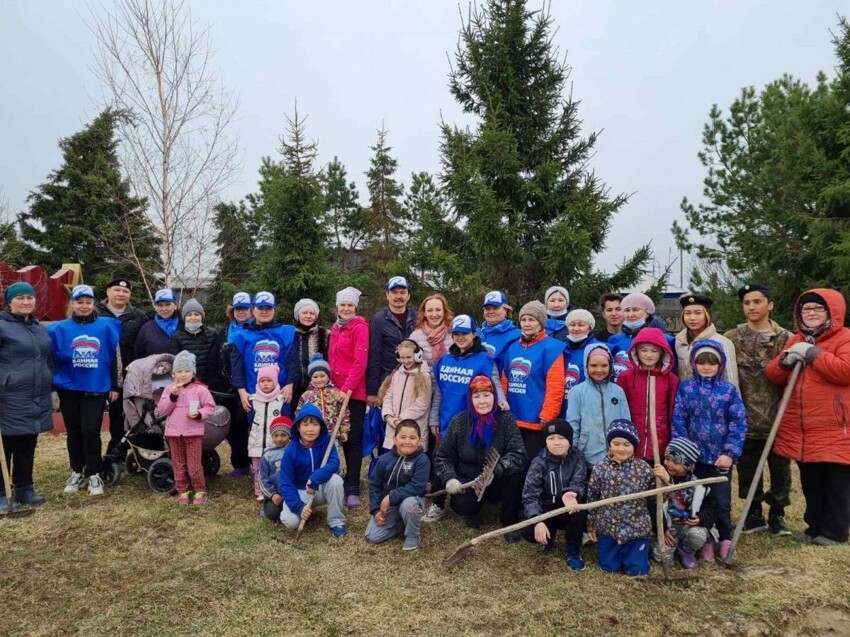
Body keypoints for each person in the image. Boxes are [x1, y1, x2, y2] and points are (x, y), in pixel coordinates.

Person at [766, 288, 850, 546]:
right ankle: (814, 526)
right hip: (803, 427)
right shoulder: (797, 340)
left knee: (836, 482)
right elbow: (773, 375)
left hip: (835, 425)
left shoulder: (844, 338)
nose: (811, 313)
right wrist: (786, 361)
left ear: (831, 312)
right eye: (806, 309)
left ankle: (835, 531)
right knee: (811, 481)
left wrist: (812, 354)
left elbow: (845, 371)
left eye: (817, 309)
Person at [725, 283, 792, 536]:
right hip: (745, 415)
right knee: (748, 467)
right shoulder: (733, 338)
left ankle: (777, 513)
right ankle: (754, 512)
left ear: (770, 305)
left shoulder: (785, 338)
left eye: (757, 301)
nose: (751, 307)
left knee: (780, 469)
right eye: (747, 303)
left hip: (777, 416)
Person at [426, 315, 506, 523]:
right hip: (446, 422)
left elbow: (495, 382)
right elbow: (439, 392)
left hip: (474, 423)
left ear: (474, 334)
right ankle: (437, 504)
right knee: (441, 459)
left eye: (465, 333)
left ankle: (472, 505)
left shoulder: (485, 359)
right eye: (457, 334)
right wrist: (434, 419)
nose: (461, 338)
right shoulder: (444, 360)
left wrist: (502, 400)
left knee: (471, 461)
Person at [672, 340, 747, 560]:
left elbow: (738, 423)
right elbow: (678, 420)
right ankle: (704, 539)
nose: (706, 367)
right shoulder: (686, 389)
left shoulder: (728, 391)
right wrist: (684, 455)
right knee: (697, 500)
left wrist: (730, 453)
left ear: (720, 365)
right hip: (695, 460)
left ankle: (724, 538)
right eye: (701, 362)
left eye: (712, 363)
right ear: (694, 364)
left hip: (719, 459)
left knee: (721, 501)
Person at [48, 285, 121, 497]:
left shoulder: (107, 327)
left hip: (96, 387)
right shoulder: (57, 329)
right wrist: (54, 383)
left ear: (94, 304)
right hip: (69, 387)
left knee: (91, 431)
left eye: (88, 302)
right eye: (79, 302)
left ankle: (94, 472)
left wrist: (115, 384)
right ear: (72, 304)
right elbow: (50, 357)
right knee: (74, 432)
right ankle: (77, 470)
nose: (84, 306)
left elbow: (116, 357)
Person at [434, 376, 528, 539]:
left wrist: (496, 470)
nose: (482, 401)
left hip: (497, 478)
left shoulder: (506, 419)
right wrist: (450, 479)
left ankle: (509, 522)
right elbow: (442, 456)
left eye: (487, 395)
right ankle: (473, 511)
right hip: (470, 478)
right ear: (470, 399)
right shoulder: (459, 421)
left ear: (495, 397)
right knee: (462, 505)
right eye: (476, 396)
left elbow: (518, 454)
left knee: (516, 477)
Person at [230, 290, 299, 480]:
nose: (265, 311)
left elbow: (293, 361)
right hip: (254, 395)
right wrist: (242, 392)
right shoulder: (242, 335)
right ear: (254, 309)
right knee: (257, 434)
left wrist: (290, 384)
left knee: (281, 432)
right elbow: (236, 366)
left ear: (274, 310)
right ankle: (259, 475)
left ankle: (282, 474)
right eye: (261, 308)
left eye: (269, 308)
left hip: (279, 394)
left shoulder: (286, 332)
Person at [0, 282, 54, 509]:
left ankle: (24, 488)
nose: (26, 302)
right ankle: (2, 492)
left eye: (29, 297)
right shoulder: (2, 326)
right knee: (5, 444)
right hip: (8, 395)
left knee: (27, 441)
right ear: (9, 302)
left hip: (35, 394)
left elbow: (46, 358)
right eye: (20, 297)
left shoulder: (38, 327)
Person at [586, 419, 654, 577]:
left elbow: (658, 498)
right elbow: (592, 498)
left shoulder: (644, 468)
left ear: (634, 446)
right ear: (609, 444)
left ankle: (639, 553)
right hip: (608, 528)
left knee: (637, 571)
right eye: (616, 443)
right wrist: (591, 524)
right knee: (609, 568)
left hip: (636, 529)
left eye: (626, 444)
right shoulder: (600, 468)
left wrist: (665, 479)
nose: (621, 449)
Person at [521, 418, 588, 571]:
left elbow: (580, 482)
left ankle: (573, 550)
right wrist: (537, 520)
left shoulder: (578, 457)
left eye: (561, 438)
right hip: (547, 509)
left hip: (568, 506)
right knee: (528, 531)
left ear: (570, 441)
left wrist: (571, 494)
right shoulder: (539, 462)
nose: (556, 442)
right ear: (546, 441)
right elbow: (530, 495)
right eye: (551, 438)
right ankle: (547, 538)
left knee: (578, 514)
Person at [502, 301, 565, 459]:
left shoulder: (552, 348)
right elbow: (504, 380)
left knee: (533, 465)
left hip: (536, 421)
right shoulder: (513, 347)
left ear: (541, 323)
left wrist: (548, 414)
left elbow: (555, 385)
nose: (527, 324)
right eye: (524, 320)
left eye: (532, 320)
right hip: (512, 418)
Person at [96, 278, 148, 460]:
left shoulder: (139, 317)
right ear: (108, 291)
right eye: (117, 290)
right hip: (96, 373)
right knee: (93, 419)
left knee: (122, 415)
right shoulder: (94, 313)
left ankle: (118, 450)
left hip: (127, 376)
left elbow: (143, 347)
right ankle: (93, 457)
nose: (121, 294)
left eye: (125, 291)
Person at [278, 403, 348, 538]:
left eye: (315, 424)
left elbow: (334, 463)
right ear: (298, 427)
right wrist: (299, 507)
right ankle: (298, 508)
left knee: (336, 480)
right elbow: (286, 483)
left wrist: (316, 478)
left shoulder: (327, 441)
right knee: (290, 521)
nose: (310, 429)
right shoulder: (291, 450)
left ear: (321, 426)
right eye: (305, 425)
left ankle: (336, 521)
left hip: (319, 488)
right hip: (300, 491)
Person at [328, 287, 369, 508]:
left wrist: (346, 388)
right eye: (342, 305)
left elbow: (359, 362)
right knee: (335, 436)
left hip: (354, 393)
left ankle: (353, 485)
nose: (346, 308)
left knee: (352, 440)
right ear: (337, 307)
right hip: (335, 391)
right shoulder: (335, 328)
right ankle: (336, 477)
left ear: (355, 307)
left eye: (350, 305)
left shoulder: (360, 328)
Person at [157, 351, 216, 505]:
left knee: (194, 465)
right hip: (174, 433)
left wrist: (198, 414)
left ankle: (200, 490)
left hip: (193, 433)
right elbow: (163, 410)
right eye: (179, 371)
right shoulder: (169, 389)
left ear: (193, 372)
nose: (183, 375)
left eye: (187, 371)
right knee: (178, 464)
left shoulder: (200, 390)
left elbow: (210, 407)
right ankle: (183, 490)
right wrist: (173, 397)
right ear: (173, 373)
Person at [651, 437, 719, 569]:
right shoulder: (658, 482)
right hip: (668, 530)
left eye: (676, 462)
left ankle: (686, 550)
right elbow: (653, 506)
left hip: (689, 528)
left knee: (697, 536)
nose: (669, 464)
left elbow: (711, 509)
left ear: (689, 466)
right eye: (667, 458)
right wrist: (662, 529)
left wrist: (701, 519)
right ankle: (663, 546)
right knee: (662, 559)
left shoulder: (700, 486)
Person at [616, 327, 679, 464]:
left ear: (663, 353)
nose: (649, 355)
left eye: (654, 351)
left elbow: (672, 411)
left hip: (660, 442)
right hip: (632, 442)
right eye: (644, 350)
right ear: (636, 352)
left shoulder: (671, 379)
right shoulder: (625, 377)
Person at [365, 420, 430, 551]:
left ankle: (413, 535)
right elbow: (374, 485)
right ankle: (402, 523)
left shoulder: (422, 460)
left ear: (419, 441)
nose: (407, 442)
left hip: (412, 500)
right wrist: (376, 510)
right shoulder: (384, 459)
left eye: (412, 438)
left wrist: (390, 497)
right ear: (394, 439)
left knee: (409, 505)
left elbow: (417, 487)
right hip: (390, 507)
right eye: (402, 437)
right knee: (373, 536)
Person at [567, 343, 631, 467]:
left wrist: (625, 447)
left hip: (616, 455)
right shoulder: (577, 392)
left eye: (604, 366)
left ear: (610, 366)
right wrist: (573, 452)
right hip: (587, 455)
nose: (599, 370)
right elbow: (573, 423)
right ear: (586, 366)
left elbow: (626, 421)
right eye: (593, 365)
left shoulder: (618, 391)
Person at [211, 291, 253, 478]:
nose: (241, 312)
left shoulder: (256, 330)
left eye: (244, 308)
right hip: (225, 388)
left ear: (251, 310)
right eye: (237, 309)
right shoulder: (224, 332)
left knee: (251, 426)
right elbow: (214, 358)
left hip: (250, 386)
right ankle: (241, 463)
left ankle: (257, 464)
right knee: (233, 428)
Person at [367, 276, 418, 406]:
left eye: (402, 292)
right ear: (387, 295)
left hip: (415, 380)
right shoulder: (378, 320)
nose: (398, 296)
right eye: (394, 292)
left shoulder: (417, 318)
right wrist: (372, 391)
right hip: (388, 380)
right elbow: (374, 356)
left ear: (408, 296)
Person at [674, 294, 739, 388]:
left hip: (715, 400)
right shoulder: (677, 342)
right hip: (684, 400)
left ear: (707, 315)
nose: (692, 318)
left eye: (698, 313)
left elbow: (731, 380)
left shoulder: (723, 343)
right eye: (687, 313)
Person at [608, 292, 674, 381]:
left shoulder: (666, 340)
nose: (630, 315)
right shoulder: (614, 339)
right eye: (627, 310)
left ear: (647, 313)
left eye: (635, 310)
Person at [379, 340, 432, 450]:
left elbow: (422, 404)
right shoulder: (397, 373)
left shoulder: (424, 376)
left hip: (413, 427)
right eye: (402, 358)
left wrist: (402, 418)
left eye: (409, 357)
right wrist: (388, 416)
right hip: (393, 426)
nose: (405, 361)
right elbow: (388, 396)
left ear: (417, 355)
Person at [247, 365, 286, 502]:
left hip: (273, 441)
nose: (265, 384)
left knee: (273, 466)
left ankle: (274, 489)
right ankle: (259, 490)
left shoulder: (280, 400)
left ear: (274, 382)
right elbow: (250, 418)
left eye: (268, 381)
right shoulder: (253, 400)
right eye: (262, 381)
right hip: (257, 439)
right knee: (257, 467)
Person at [296, 353, 351, 448]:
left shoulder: (336, 393)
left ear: (328, 376)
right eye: (315, 377)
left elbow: (344, 413)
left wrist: (344, 431)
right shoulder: (306, 396)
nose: (319, 379)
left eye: (322, 376)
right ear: (310, 378)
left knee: (332, 457)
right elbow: (299, 414)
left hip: (332, 435)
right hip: (313, 435)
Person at [168, 298, 219, 385]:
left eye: (196, 314)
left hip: (209, 381)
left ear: (202, 316)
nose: (193, 318)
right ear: (184, 317)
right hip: (187, 381)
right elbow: (175, 361)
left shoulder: (212, 334)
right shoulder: (177, 336)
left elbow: (216, 358)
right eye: (189, 315)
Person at [562, 309, 599, 416]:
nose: (576, 328)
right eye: (572, 324)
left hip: (588, 407)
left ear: (590, 328)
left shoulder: (597, 348)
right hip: (564, 406)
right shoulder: (561, 349)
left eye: (581, 324)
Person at [292, 298, 329, 402]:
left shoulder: (325, 334)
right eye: (304, 312)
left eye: (312, 313)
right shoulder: (290, 334)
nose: (308, 316)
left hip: (317, 386)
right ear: (298, 316)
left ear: (316, 316)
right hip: (294, 387)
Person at [259, 415, 293, 522]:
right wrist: (273, 495)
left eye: (283, 435)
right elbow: (262, 479)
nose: (279, 439)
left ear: (289, 435)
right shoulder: (267, 455)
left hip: (292, 492)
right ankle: (267, 508)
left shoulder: (295, 450)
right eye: (276, 435)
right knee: (274, 515)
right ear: (272, 436)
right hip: (275, 494)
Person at [478, 290, 521, 374]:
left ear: (506, 310)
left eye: (495, 308)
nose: (491, 311)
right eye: (487, 308)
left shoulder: (516, 335)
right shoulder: (475, 334)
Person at [409, 293, 454, 366]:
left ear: (444, 311)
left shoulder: (453, 333)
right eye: (430, 310)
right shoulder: (415, 337)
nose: (434, 314)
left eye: (438, 310)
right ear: (424, 313)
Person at [135, 288, 180, 359]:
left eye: (168, 304)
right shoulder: (146, 329)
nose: (164, 308)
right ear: (155, 307)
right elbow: (138, 356)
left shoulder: (185, 326)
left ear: (175, 306)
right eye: (160, 305)